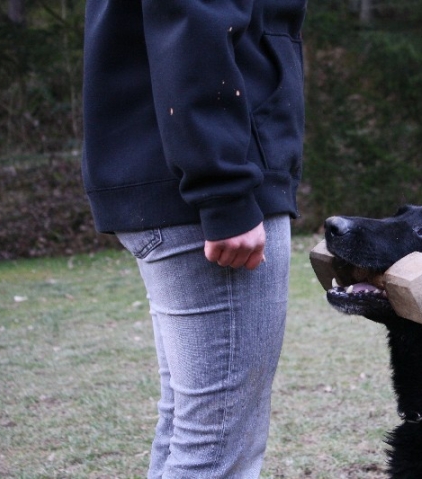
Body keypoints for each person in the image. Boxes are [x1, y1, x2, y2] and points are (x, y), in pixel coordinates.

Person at [81, 1, 306, 477]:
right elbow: (193, 21)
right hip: (208, 192)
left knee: (192, 430)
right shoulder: (219, 190)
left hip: (173, 174)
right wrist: (222, 189)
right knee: (217, 449)